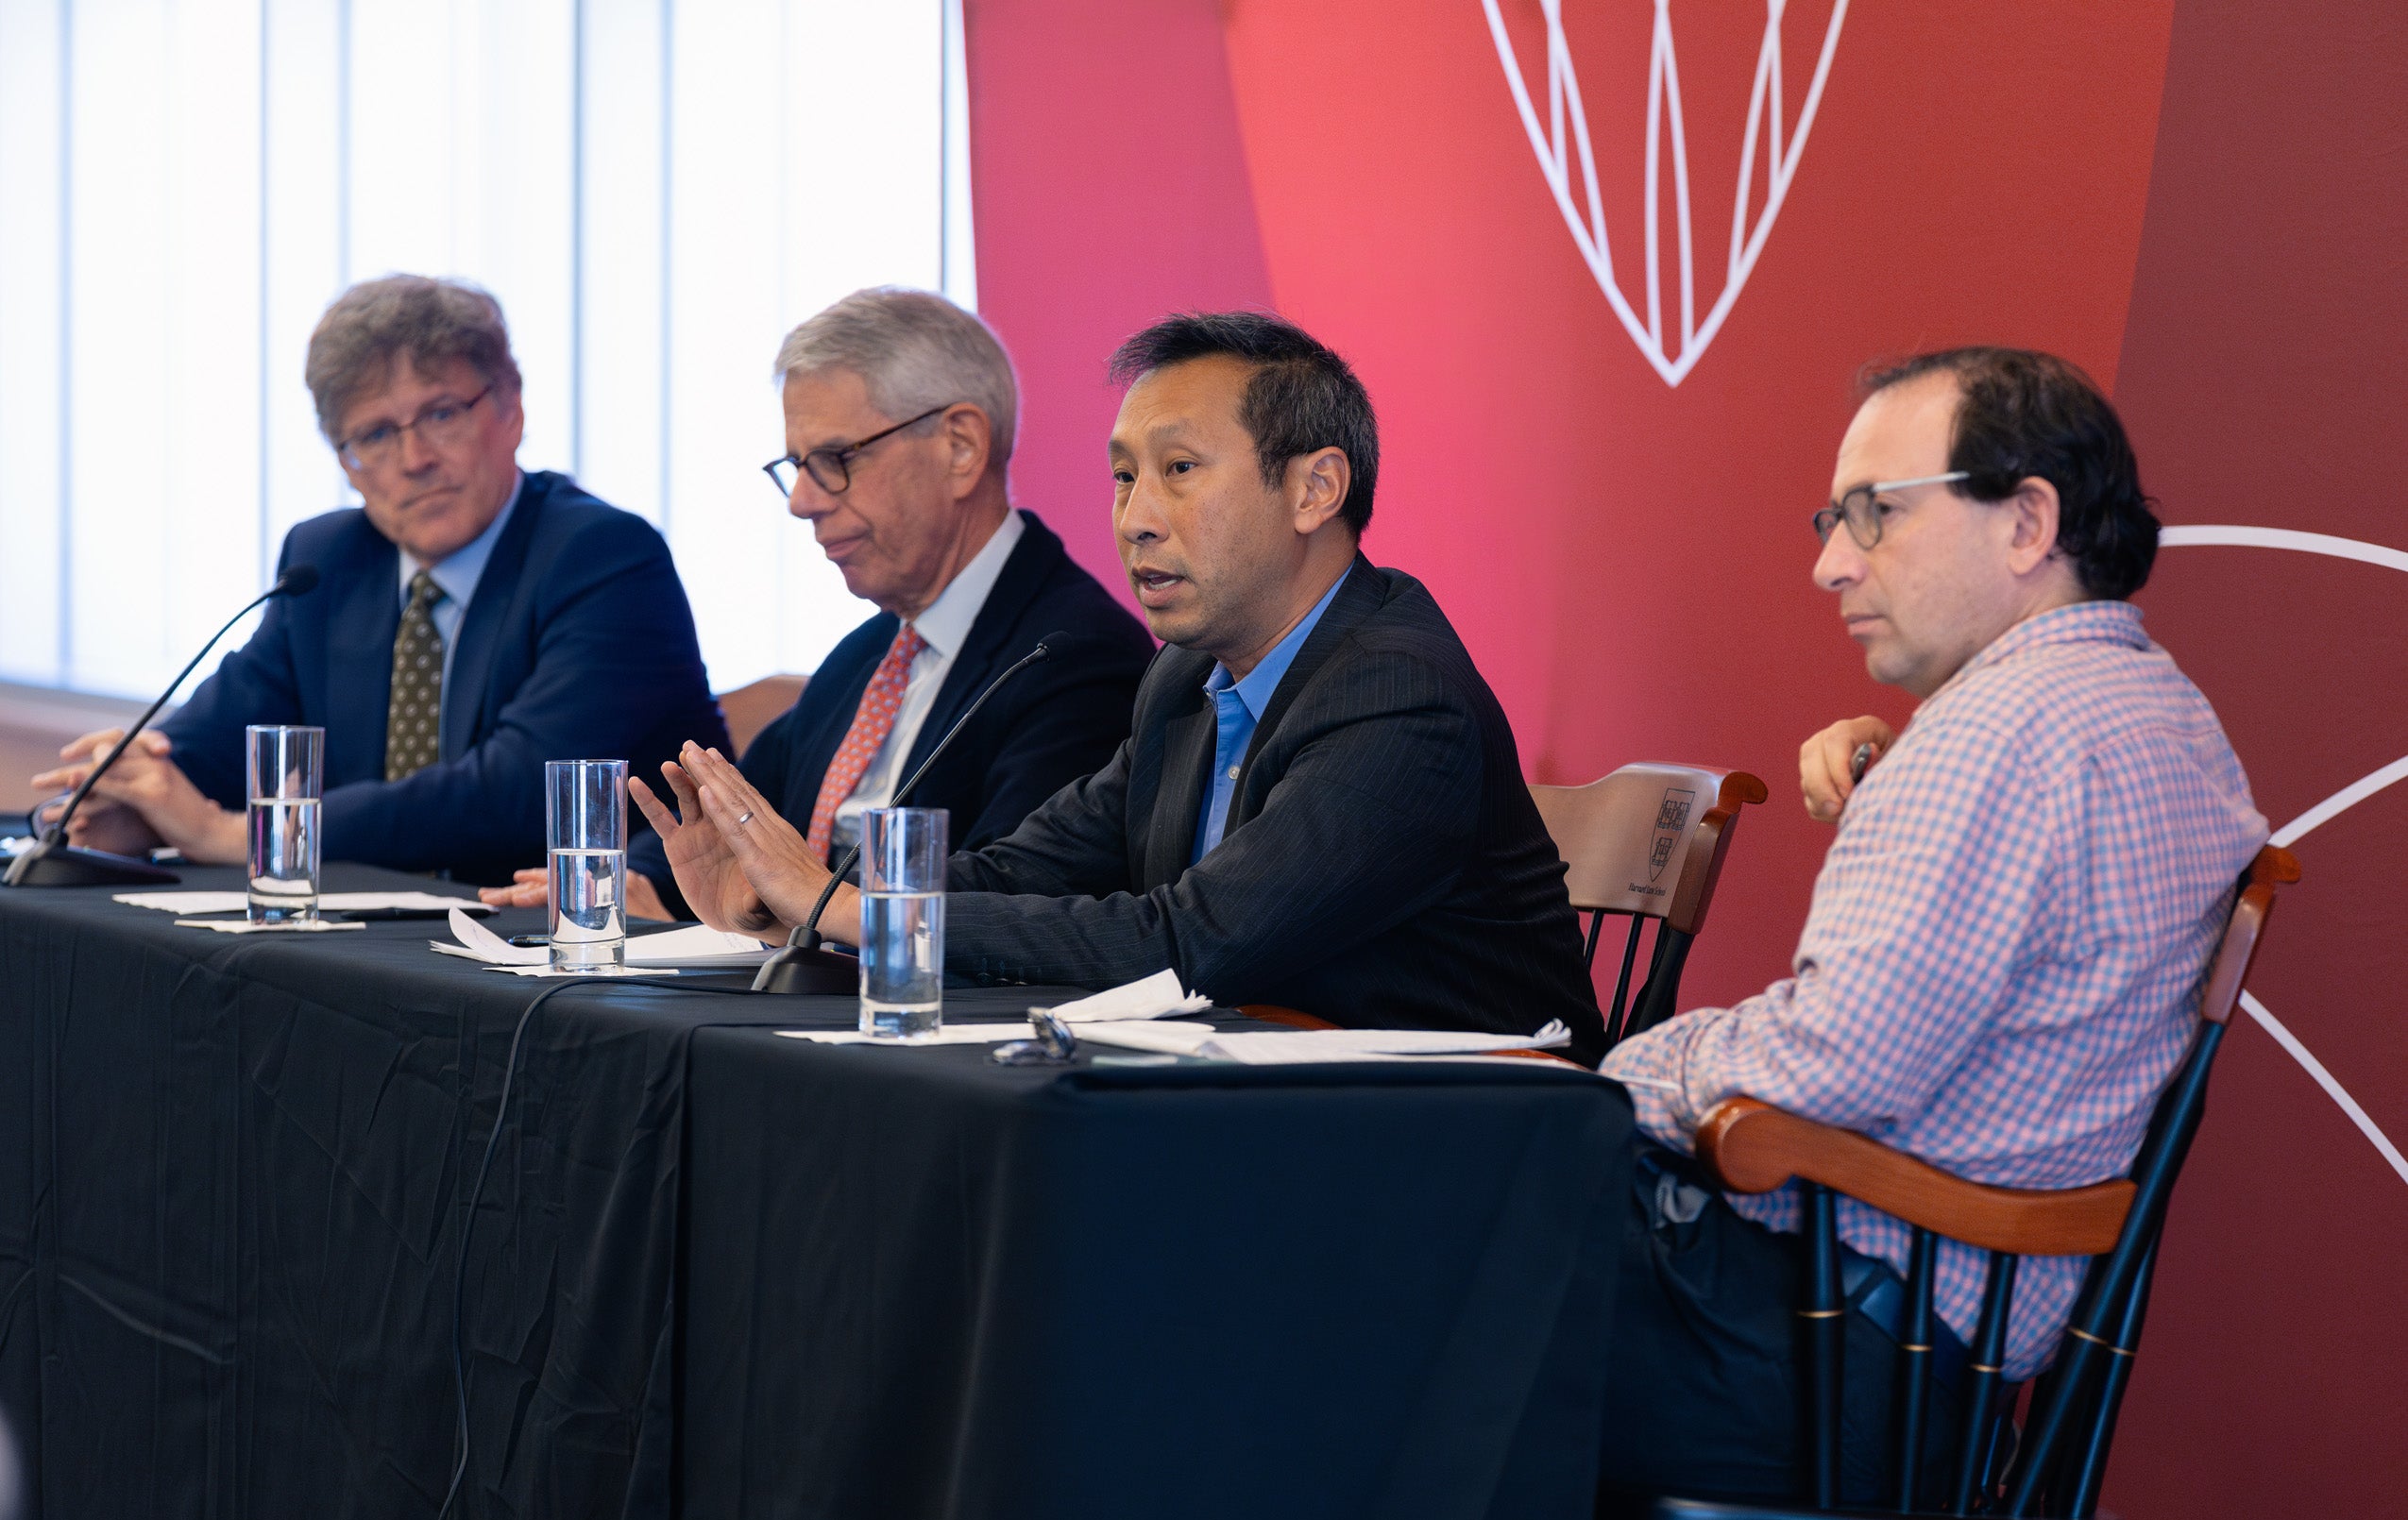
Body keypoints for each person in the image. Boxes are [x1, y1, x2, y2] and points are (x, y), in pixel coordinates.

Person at [1588, 349, 2265, 1520]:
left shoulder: (1999, 737)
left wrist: (1621, 1074)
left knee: (1368, 1261)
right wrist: (1902, 766)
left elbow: (1831, 1066)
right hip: (1930, 1377)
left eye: (1873, 514)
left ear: (2025, 521)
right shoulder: (2159, 715)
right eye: (1828, 521)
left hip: (1806, 1354)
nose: (1830, 562)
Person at [646, 311, 1607, 1058]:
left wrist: (850, 908)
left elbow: (1192, 942)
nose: (1138, 518)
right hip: (1269, 1104)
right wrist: (785, 901)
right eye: (1122, 477)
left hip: (1467, 1136)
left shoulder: (1398, 693)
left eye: (1180, 470)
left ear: (1316, 489)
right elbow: (1021, 868)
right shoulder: (1185, 681)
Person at [482, 287, 1154, 922]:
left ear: (960, 447)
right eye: (796, 466)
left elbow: (1003, 901)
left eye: (834, 458)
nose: (803, 500)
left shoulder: (1074, 654)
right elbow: (737, 809)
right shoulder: (871, 652)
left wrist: (769, 907)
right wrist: (645, 882)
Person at [32, 275, 725, 887]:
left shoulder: (602, 556)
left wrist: (244, 835)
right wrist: (125, 797)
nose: (414, 459)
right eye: (375, 435)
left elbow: (517, 792)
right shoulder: (329, 559)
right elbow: (222, 735)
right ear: (346, 459)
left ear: (511, 408)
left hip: (566, 949)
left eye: (441, 414)